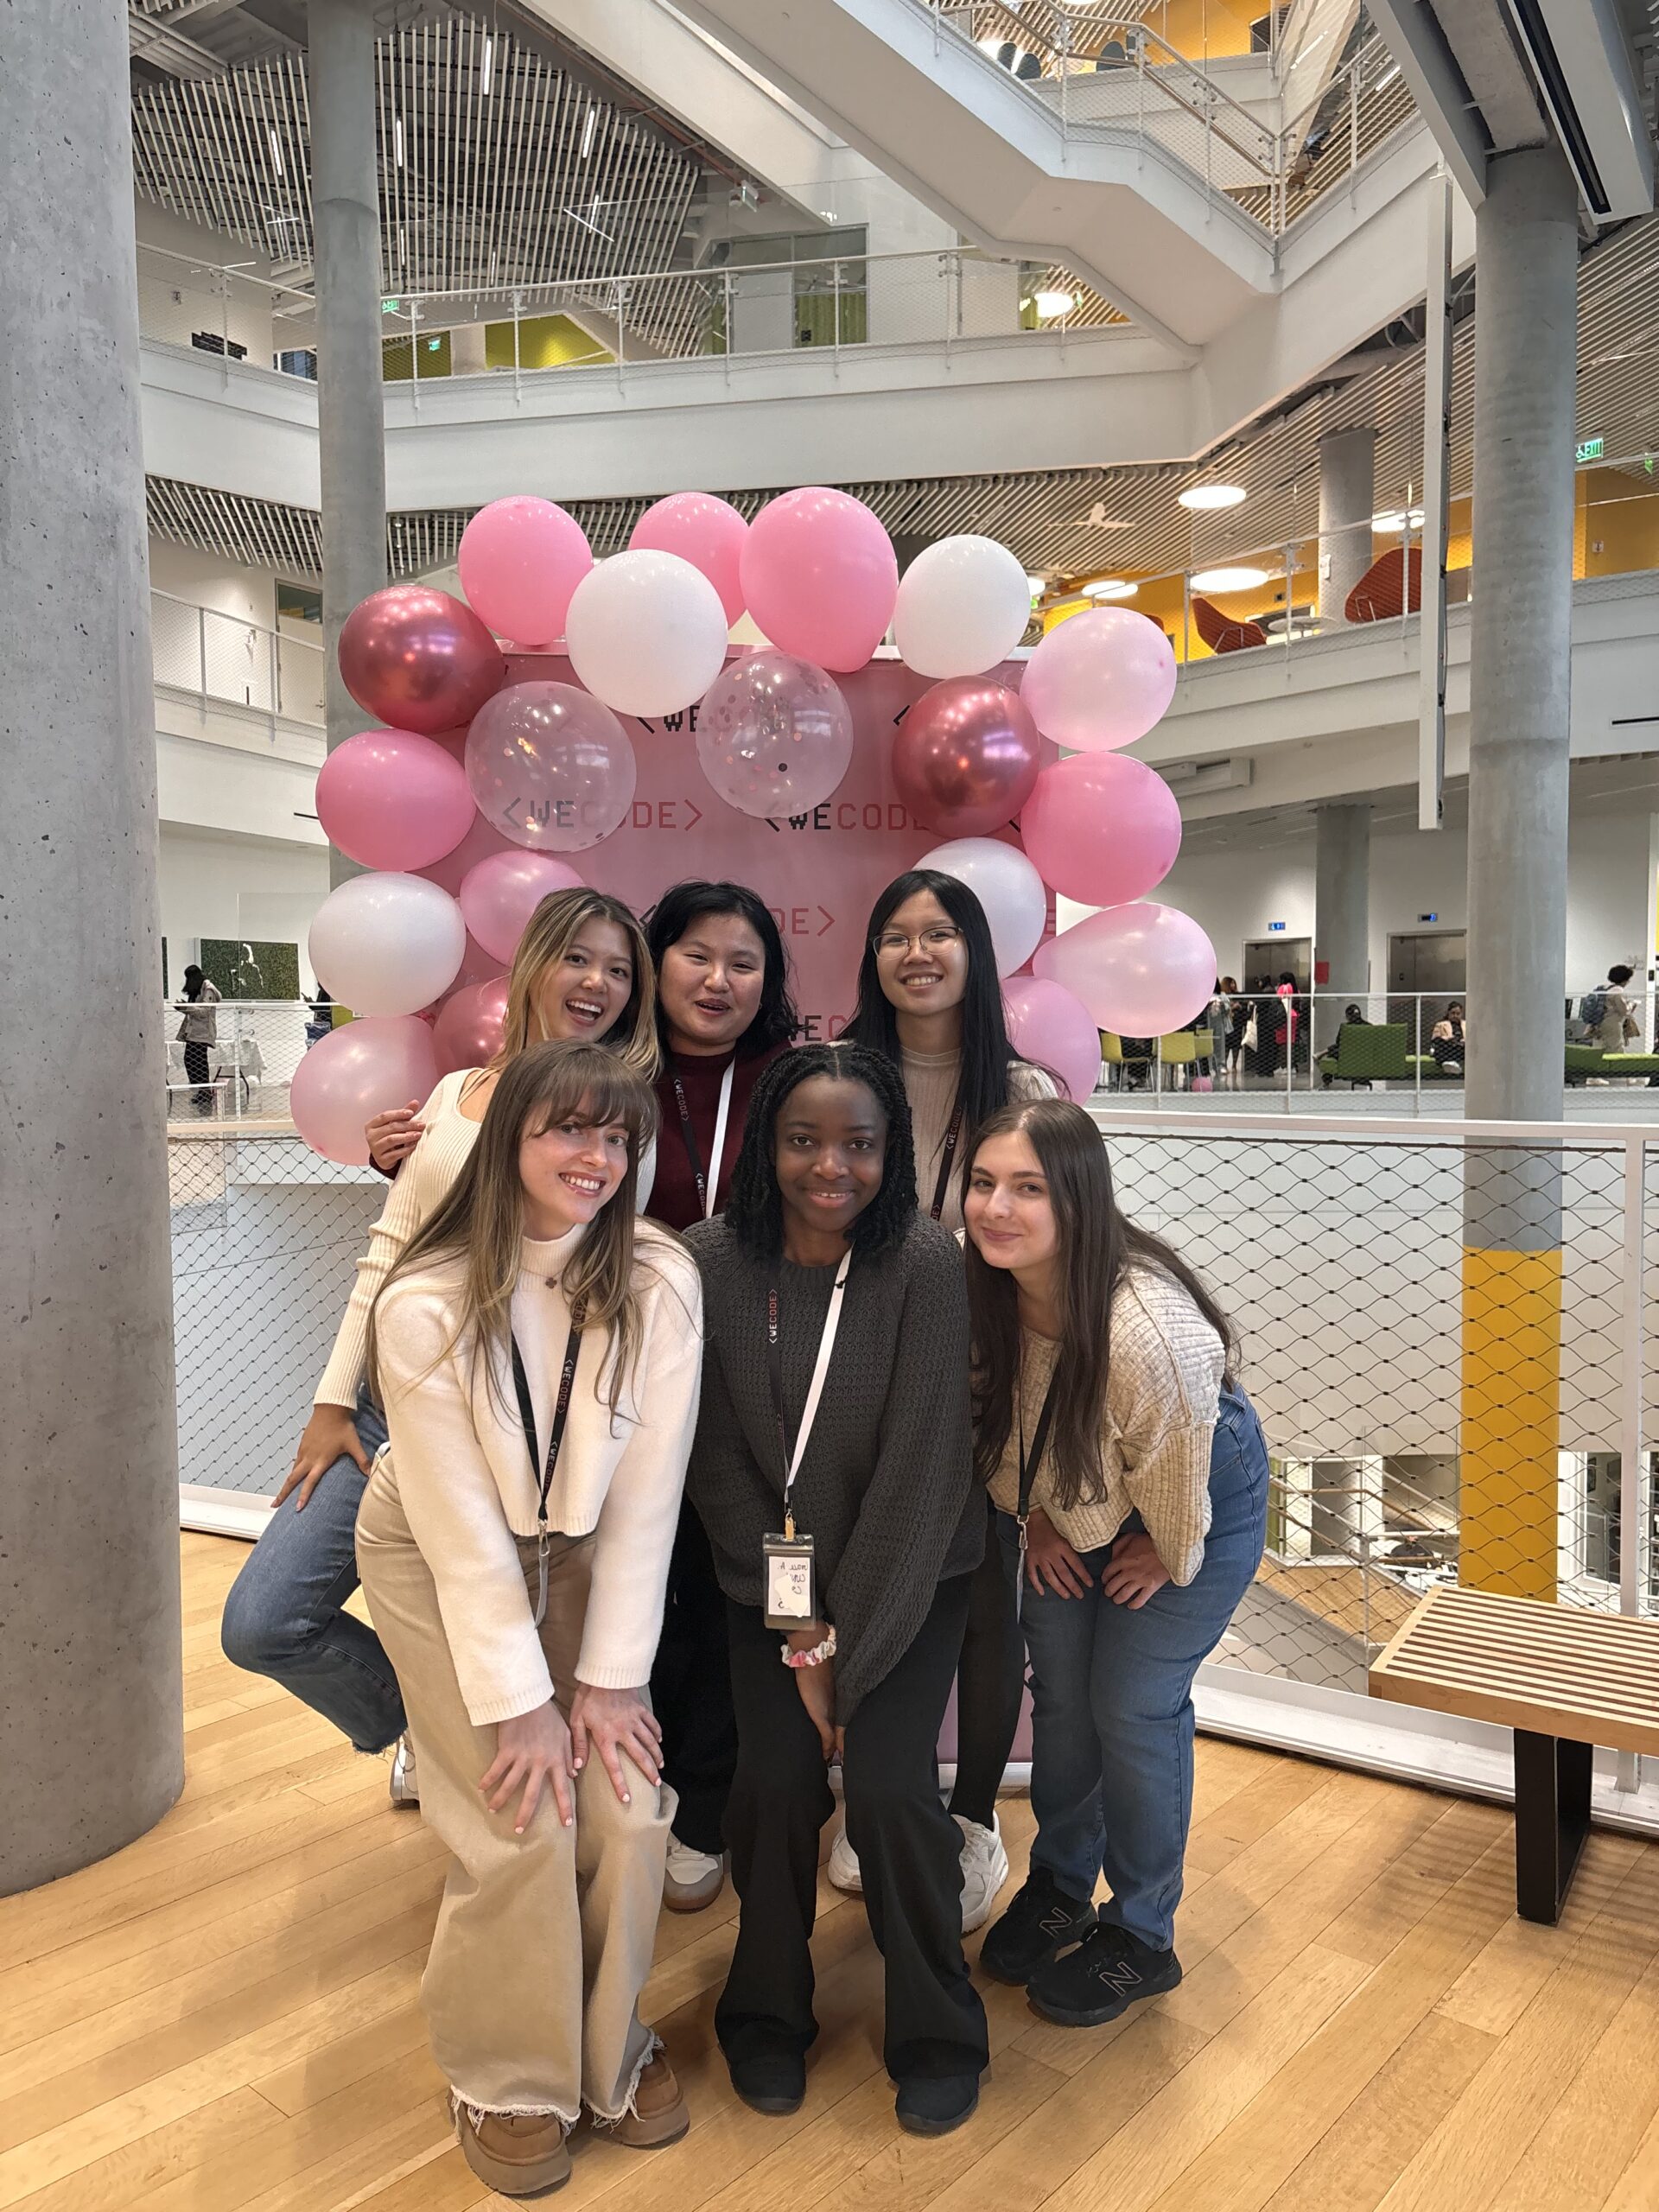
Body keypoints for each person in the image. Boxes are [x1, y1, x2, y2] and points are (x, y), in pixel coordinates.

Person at [220, 888, 659, 1807]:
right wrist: (332, 1402)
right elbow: (392, 1249)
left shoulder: (622, 1120)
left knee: (486, 1610)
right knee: (264, 1623)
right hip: (388, 1407)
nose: (597, 981)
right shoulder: (457, 1098)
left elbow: (597, 1278)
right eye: (579, 956)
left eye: (620, 969)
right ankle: (421, 1721)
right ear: (535, 961)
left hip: (509, 1420)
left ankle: (472, 1739)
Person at [356, 1040, 702, 2196]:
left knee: (631, 1805)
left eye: (616, 1138)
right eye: (568, 1130)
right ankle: (507, 2072)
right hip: (437, 1554)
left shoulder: (659, 1279)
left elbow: (649, 1504)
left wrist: (609, 1684)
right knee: (523, 1816)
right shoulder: (424, 1302)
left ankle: (606, 2052)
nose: (596, 1158)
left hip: (590, 1548)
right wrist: (519, 1708)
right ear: (506, 1141)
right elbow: (460, 1538)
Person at [683, 1043, 990, 2135]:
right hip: (774, 1583)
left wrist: (844, 1663)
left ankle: (939, 2026)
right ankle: (764, 2014)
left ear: (888, 1152)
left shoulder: (928, 1263)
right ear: (767, 1144)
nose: (832, 1166)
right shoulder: (709, 1261)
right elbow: (714, 1459)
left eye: (860, 1144)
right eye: (804, 1139)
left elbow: (921, 1475)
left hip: (909, 1577)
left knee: (897, 1790)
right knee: (770, 1787)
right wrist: (800, 1626)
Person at [963, 1098, 1268, 2024]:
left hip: (1193, 1499)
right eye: (983, 1183)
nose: (996, 1208)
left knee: (1129, 1704)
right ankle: (1061, 1880)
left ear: (1080, 1201)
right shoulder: (987, 1289)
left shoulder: (1150, 1332)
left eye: (1028, 1188)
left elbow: (1181, 1494)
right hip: (1069, 1495)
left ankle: (1142, 1932)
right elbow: (1000, 1427)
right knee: (1058, 1688)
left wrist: (1169, 1554)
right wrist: (1039, 1518)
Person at [837, 868, 1056, 1925]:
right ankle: (877, 1794)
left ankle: (969, 1820)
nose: (916, 953)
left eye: (939, 934)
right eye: (895, 935)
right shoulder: (835, 1079)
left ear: (976, 952)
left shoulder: (1027, 1094)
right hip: (852, 1387)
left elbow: (1064, 1251)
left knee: (981, 1602)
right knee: (863, 1580)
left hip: (986, 1390)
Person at [643, 880, 798, 1912]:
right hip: (629, 1382)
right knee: (652, 1596)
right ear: (655, 963)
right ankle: (662, 1800)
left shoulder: (792, 1080)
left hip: (760, 1385)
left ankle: (741, 1805)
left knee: (755, 1590)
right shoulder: (607, 1074)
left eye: (744, 963)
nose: (718, 979)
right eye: (697, 955)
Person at [175, 963, 222, 1114]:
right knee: (191, 1060)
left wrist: (186, 1008)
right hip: (194, 1032)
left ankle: (204, 1091)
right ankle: (201, 1091)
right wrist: (183, 1008)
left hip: (202, 1033)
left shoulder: (208, 989)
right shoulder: (197, 990)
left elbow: (204, 1012)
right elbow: (196, 1012)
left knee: (198, 1061)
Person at [1587, 964, 1641, 1053]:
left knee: (1599, 1048)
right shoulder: (1618, 991)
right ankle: (1616, 1067)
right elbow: (1624, 1011)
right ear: (1624, 980)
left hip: (1598, 1022)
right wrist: (1632, 1004)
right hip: (1612, 1023)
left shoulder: (1604, 988)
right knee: (1615, 1048)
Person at [1429, 1000, 1467, 1073]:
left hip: (1461, 1047)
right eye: (1453, 1013)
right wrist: (1447, 1038)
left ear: (1461, 1014)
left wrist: (1463, 1041)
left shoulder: (1466, 1024)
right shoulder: (1440, 1024)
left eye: (1458, 1014)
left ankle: (1450, 1063)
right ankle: (1451, 1063)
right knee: (1440, 1043)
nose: (1455, 1016)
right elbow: (1434, 1039)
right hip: (1448, 1046)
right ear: (1448, 1013)